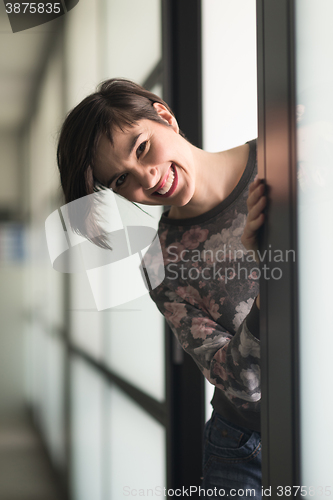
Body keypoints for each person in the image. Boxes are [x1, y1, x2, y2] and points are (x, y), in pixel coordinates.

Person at [57, 78, 266, 499]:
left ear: (165, 116)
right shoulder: (159, 263)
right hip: (245, 448)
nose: (147, 178)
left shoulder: (280, 156)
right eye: (120, 181)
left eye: (142, 148)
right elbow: (239, 380)